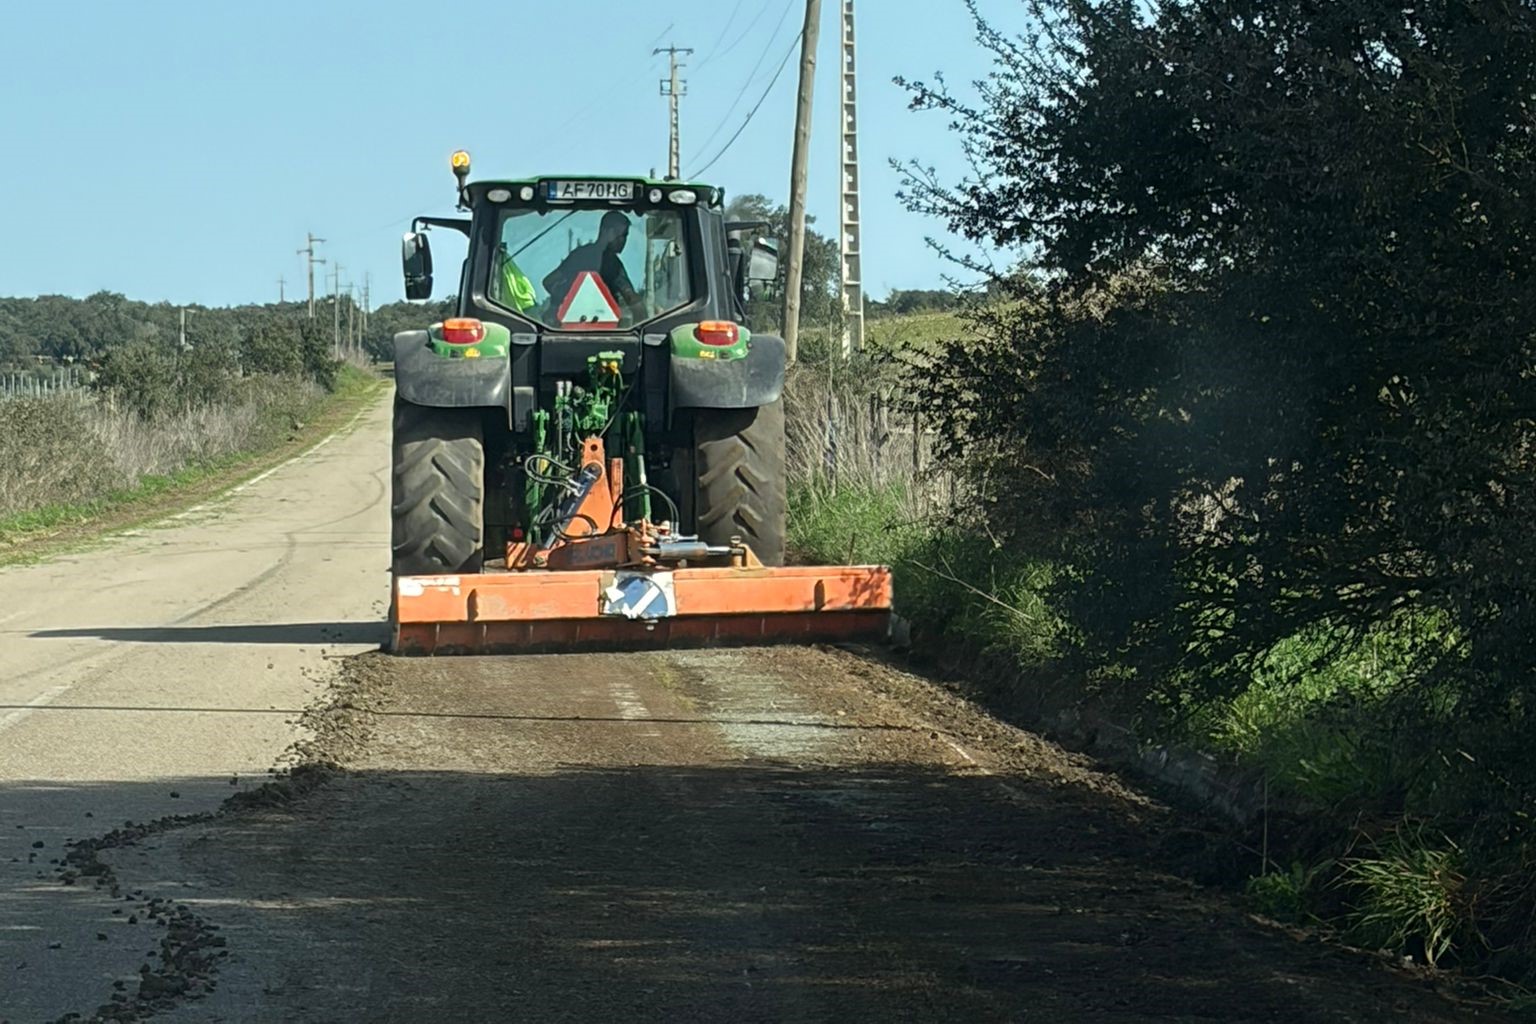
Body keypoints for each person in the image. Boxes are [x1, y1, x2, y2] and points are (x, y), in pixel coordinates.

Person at [541, 211, 642, 320]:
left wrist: (568, 300)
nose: (623, 241)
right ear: (607, 231)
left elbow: (548, 282)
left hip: (565, 327)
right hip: (604, 329)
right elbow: (632, 300)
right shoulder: (613, 264)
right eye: (622, 235)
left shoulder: (579, 255)